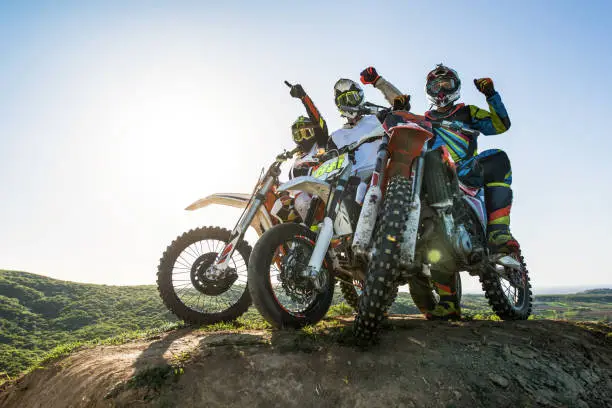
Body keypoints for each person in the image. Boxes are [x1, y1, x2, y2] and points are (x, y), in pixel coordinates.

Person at [360, 65, 518, 320]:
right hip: (432, 177)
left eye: (447, 84)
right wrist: (389, 107)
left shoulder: (467, 111)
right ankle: (448, 301)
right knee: (430, 234)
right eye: (437, 86)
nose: (442, 89)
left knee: (498, 158)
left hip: (466, 170)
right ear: (429, 91)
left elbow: (500, 125)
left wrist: (491, 94)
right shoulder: (424, 120)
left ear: (456, 87)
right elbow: (399, 122)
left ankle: (500, 232)